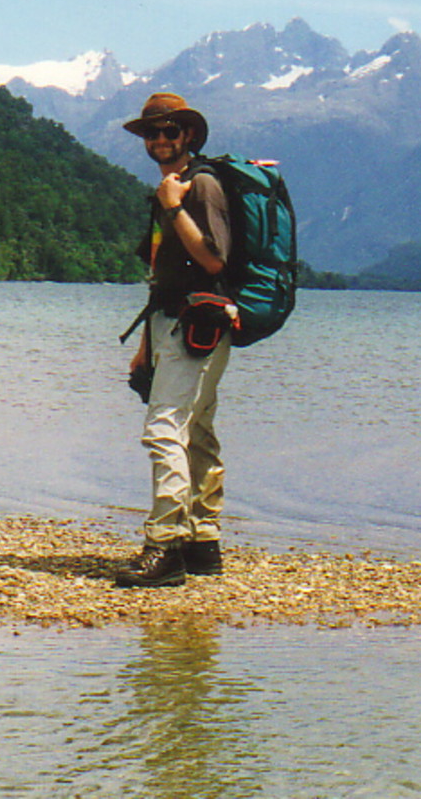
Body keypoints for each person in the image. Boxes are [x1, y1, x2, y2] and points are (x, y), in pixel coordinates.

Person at [117, 92, 234, 588]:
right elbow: (160, 276)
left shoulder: (200, 186)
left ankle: (164, 546)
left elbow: (214, 261)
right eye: (152, 133)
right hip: (172, 323)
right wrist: (146, 344)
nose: (160, 140)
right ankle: (202, 542)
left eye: (169, 131)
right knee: (196, 428)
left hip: (197, 325)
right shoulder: (171, 188)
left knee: (163, 428)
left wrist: (174, 207)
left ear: (188, 135)